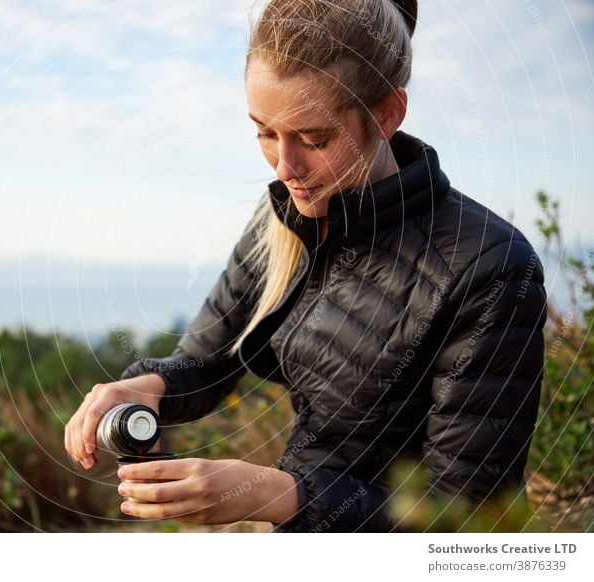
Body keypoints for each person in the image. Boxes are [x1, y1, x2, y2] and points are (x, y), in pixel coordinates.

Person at [63, 0, 547, 532]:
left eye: (314, 140)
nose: (286, 168)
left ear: (387, 113)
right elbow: (208, 359)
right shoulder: (286, 216)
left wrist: (279, 495)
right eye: (265, 133)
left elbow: (464, 515)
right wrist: (148, 387)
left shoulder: (491, 267)